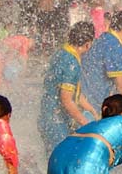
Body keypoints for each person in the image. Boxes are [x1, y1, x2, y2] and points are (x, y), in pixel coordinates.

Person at [39, 22, 98, 154]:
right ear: (88, 44)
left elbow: (73, 93)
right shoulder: (72, 63)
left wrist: (90, 109)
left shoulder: (62, 52)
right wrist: (85, 123)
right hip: (56, 121)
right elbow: (66, 99)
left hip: (47, 115)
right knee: (62, 159)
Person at [80, 10, 122, 107]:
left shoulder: (104, 38)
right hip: (92, 103)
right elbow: (121, 85)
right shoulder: (113, 45)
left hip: (83, 99)